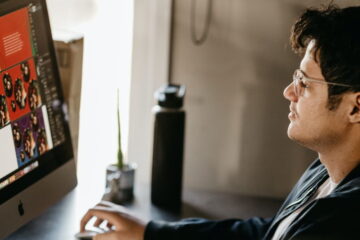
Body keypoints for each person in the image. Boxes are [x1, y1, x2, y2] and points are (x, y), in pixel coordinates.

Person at [80, 4, 360, 240]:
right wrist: (151, 233)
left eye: (304, 83)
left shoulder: (339, 223)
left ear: (356, 107)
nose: (289, 92)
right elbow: (270, 232)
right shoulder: (326, 170)